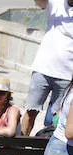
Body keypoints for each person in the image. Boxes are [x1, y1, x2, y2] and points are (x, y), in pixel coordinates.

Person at [21, 0, 73, 136]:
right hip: (43, 70)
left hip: (67, 75)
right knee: (30, 111)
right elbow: (39, 1)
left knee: (58, 118)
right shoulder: (56, 4)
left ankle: (46, 149)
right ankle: (19, 147)